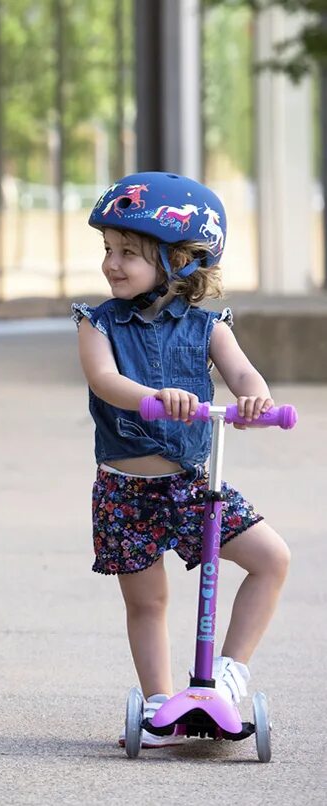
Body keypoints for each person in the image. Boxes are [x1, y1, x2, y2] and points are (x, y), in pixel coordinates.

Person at [74, 172, 291, 748]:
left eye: (128, 254)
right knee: (148, 602)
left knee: (271, 559)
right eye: (108, 251)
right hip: (127, 489)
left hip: (197, 485)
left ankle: (227, 676)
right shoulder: (98, 324)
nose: (112, 265)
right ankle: (156, 706)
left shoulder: (208, 327)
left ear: (181, 262)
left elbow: (242, 371)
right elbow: (104, 378)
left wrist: (255, 397)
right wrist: (152, 399)